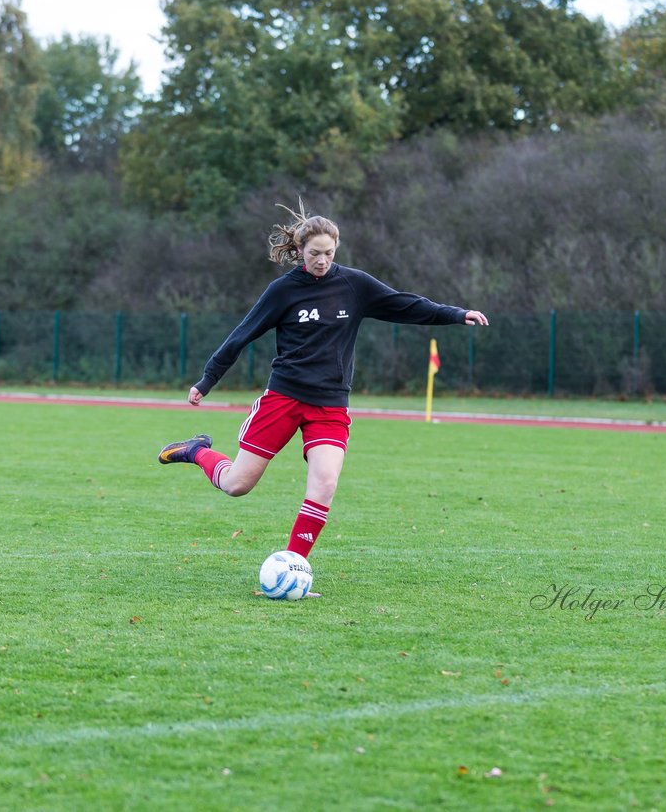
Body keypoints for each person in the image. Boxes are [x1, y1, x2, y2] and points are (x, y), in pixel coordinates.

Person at [157, 203, 488, 586]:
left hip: (330, 404)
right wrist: (207, 379)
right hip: (284, 399)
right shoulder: (283, 291)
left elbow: (405, 304)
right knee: (237, 486)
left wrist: (455, 313)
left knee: (325, 483)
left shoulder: (354, 285)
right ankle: (197, 449)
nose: (322, 260)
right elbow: (242, 334)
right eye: (314, 253)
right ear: (300, 251)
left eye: (329, 253)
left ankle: (292, 570)